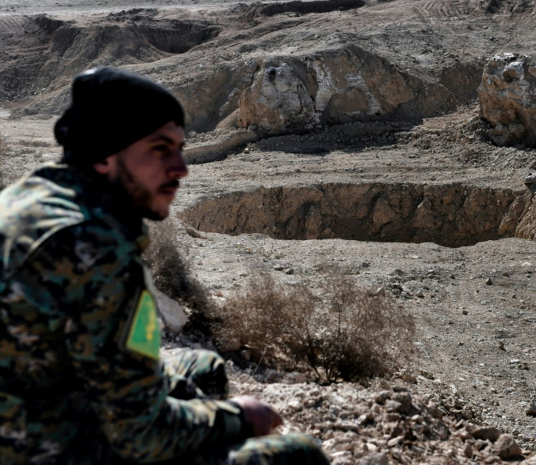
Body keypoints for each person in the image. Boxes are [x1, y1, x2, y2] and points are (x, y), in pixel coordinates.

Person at [0, 67, 329, 465]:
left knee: (203, 367)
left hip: (40, 395)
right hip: (41, 446)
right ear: (104, 153)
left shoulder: (24, 200)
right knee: (299, 454)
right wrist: (237, 417)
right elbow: (141, 435)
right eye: (159, 149)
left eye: (178, 148)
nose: (180, 168)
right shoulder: (96, 249)